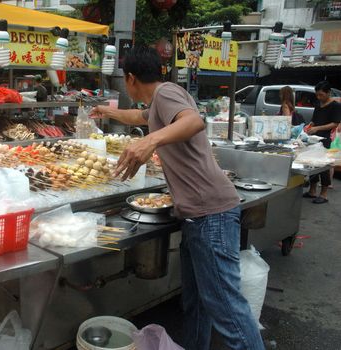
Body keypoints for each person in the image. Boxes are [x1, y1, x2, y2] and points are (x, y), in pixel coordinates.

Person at [92, 46, 264, 350]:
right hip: (198, 218)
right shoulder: (158, 104)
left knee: (227, 311)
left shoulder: (168, 93)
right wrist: (108, 111)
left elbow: (193, 121)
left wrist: (151, 140)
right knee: (197, 304)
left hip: (211, 214)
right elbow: (139, 116)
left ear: (130, 78)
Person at [303, 81, 341, 203]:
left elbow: (335, 123)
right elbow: (314, 120)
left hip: (325, 139)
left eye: (321, 95)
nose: (319, 97)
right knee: (312, 164)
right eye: (317, 95)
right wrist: (310, 126)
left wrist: (318, 128)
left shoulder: (335, 106)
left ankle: (324, 194)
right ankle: (312, 190)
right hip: (314, 138)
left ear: (328, 93)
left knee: (323, 166)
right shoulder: (318, 104)